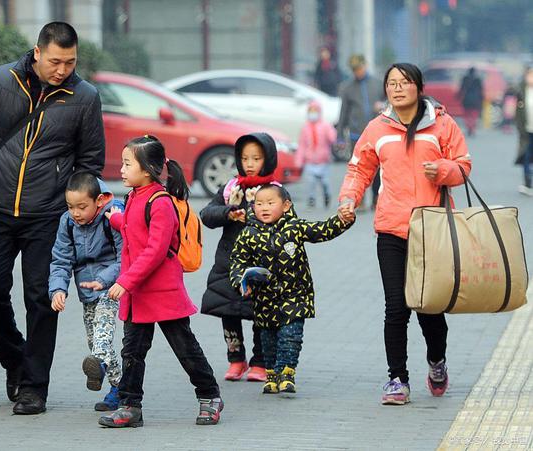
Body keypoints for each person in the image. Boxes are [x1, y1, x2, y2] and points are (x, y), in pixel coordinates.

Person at [0, 22, 105, 415]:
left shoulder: (85, 97)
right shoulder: (1, 81)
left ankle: (34, 387)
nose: (62, 69)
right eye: (55, 61)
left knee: (42, 300)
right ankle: (15, 360)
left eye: (70, 62)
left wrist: (79, 210)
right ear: (37, 52)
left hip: (48, 215)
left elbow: (90, 162)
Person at [337, 63, 472, 405]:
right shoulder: (377, 128)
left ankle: (436, 362)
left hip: (433, 229)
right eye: (392, 83)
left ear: (419, 87)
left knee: (429, 307)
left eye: (405, 82)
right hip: (391, 229)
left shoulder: (442, 124)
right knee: (396, 307)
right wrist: (348, 199)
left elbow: (463, 166)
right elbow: (360, 168)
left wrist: (443, 170)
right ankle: (397, 379)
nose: (398, 88)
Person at [99, 135, 223, 428]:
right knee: (132, 352)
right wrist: (116, 218)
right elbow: (134, 230)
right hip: (138, 296)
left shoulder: (161, 201)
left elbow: (155, 250)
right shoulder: (134, 197)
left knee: (185, 348)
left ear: (148, 169)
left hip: (161, 293)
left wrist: (126, 281)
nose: (122, 169)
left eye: (128, 164)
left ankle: (210, 397)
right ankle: (130, 406)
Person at [229, 184, 353, 395]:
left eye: (270, 203)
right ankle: (272, 375)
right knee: (267, 339)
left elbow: (321, 230)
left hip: (295, 295)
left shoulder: (294, 227)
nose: (264, 208)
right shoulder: (248, 234)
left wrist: (342, 220)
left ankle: (287, 373)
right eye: (259, 204)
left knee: (290, 335)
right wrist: (241, 282)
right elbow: (237, 262)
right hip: (264, 299)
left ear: (286, 206)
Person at [199, 132, 280, 383]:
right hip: (229, 262)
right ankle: (236, 359)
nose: (250, 163)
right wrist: (228, 212)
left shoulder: (275, 191)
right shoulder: (231, 188)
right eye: (245, 158)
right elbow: (207, 214)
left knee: (261, 314)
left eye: (256, 158)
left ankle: (260, 362)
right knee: (228, 311)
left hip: (262, 263)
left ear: (268, 159)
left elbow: (287, 221)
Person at [48, 173, 123, 412]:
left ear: (99, 201)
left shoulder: (112, 217)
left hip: (111, 289)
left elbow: (126, 258)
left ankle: (103, 369)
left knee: (102, 337)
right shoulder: (67, 223)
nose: (76, 213)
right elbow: (60, 260)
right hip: (86, 290)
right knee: (96, 344)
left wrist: (103, 280)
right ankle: (119, 387)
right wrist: (58, 289)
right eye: (71, 207)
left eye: (82, 207)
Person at [336, 54, 385, 209]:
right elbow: (343, 112)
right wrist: (340, 137)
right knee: (360, 167)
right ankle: (361, 198)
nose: (358, 72)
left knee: (378, 167)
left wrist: (383, 105)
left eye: (360, 68)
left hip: (378, 132)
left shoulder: (378, 84)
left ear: (365, 65)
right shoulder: (347, 88)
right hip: (356, 134)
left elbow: (391, 101)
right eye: (355, 70)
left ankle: (377, 197)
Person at [296, 100, 337, 208]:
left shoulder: (325, 125)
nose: (313, 113)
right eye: (311, 111)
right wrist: (299, 160)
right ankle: (311, 199)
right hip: (310, 160)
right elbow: (302, 145)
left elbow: (332, 138)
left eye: (315, 111)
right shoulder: (305, 128)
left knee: (325, 181)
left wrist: (333, 136)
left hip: (323, 160)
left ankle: (327, 195)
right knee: (310, 182)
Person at [515, 66, 533, 196]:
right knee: (526, 156)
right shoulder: (521, 91)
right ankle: (528, 182)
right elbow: (517, 112)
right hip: (526, 130)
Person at [458, 67, 484, 137]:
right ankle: (472, 128)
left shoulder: (465, 78)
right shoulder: (478, 79)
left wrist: (458, 97)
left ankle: (469, 127)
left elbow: (461, 89)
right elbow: (481, 91)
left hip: (466, 99)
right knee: (474, 115)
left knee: (467, 114)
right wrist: (481, 100)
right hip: (476, 100)